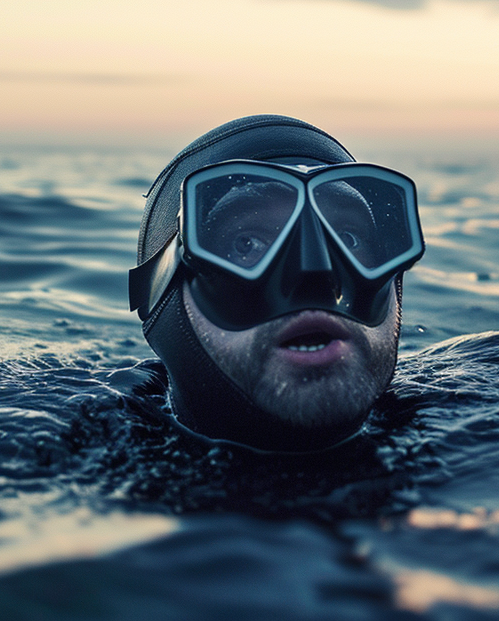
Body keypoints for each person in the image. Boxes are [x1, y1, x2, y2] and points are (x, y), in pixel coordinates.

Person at [128, 114, 424, 453]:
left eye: (348, 238)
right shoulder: (72, 446)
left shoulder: (486, 399)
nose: (318, 275)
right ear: (160, 294)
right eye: (247, 244)